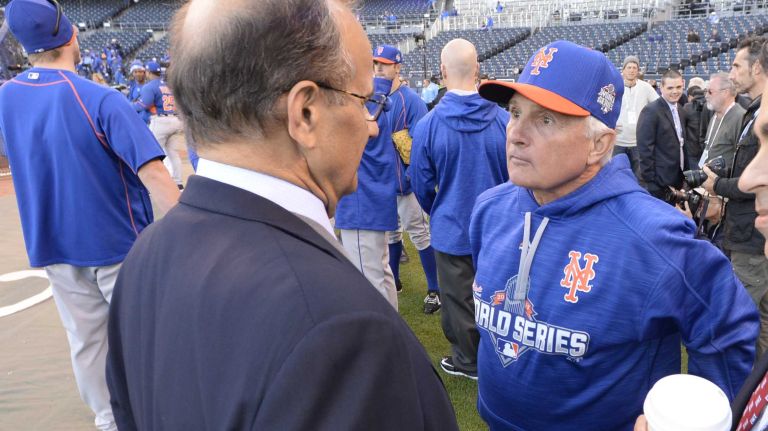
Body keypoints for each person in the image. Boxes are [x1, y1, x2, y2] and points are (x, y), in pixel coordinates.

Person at [105, 1, 460, 430]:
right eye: (364, 100)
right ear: (305, 113)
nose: (370, 125)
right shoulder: (343, 328)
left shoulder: (145, 255)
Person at [472, 40, 757, 431]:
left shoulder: (653, 236)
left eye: (545, 120)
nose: (516, 133)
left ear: (599, 144)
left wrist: (704, 417)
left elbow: (726, 329)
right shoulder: (489, 208)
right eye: (515, 112)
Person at [0, 1, 180, 430]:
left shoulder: (6, 98)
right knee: (150, 339)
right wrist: (189, 232)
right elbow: (154, 173)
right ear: (71, 35)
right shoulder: (97, 97)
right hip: (117, 244)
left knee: (87, 344)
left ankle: (109, 421)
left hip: (53, 247)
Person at [410, 39, 509, 378]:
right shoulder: (505, 120)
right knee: (500, 295)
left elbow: (421, 183)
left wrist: (441, 208)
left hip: (454, 225)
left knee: (459, 300)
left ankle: (468, 360)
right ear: (477, 68)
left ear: (442, 71)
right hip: (499, 229)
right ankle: (497, 356)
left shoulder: (428, 125)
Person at [703, 36, 768, 356]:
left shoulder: (759, 116)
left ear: (757, 68)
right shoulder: (752, 112)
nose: (732, 73)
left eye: (736, 65)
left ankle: (743, 397)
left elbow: (752, 181)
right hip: (746, 231)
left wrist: (718, 186)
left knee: (740, 321)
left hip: (753, 237)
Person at [373, 44, 441, 303]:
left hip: (407, 184)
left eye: (384, 64)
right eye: (376, 64)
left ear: (397, 67)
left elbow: (422, 146)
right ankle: (396, 281)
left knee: (420, 234)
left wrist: (414, 176)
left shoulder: (411, 101)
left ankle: (434, 289)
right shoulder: (371, 96)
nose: (378, 68)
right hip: (383, 182)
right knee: (390, 233)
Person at [335, 76, 399, 310]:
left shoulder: (367, 102)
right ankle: (394, 335)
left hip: (363, 202)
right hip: (373, 200)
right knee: (381, 272)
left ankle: (384, 342)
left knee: (368, 281)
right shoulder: (379, 97)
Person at [637, 69, 690, 204]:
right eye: (670, 88)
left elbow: (681, 144)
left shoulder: (681, 110)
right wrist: (652, 182)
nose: (675, 91)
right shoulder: (651, 111)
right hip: (659, 183)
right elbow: (645, 149)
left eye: (678, 87)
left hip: (677, 179)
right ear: (661, 88)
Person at [134, 61, 184, 189]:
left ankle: (164, 184)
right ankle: (178, 182)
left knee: (155, 153)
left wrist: (129, 107)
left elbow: (144, 105)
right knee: (173, 153)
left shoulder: (150, 86)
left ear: (149, 73)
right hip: (175, 120)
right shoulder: (168, 85)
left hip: (161, 122)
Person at [614, 55, 659, 181]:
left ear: (638, 71)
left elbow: (659, 105)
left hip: (638, 142)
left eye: (635, 67)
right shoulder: (615, 86)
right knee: (617, 176)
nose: (632, 70)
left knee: (640, 177)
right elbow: (605, 107)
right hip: (618, 142)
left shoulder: (645, 87)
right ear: (623, 70)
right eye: (629, 67)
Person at [700, 72, 745, 168]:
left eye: (710, 92)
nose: (706, 96)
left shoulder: (740, 118)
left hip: (725, 181)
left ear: (725, 92)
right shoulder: (714, 117)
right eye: (705, 91)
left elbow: (743, 160)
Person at [683, 76, 711, 167]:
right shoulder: (711, 105)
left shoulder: (687, 107)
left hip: (692, 149)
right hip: (707, 147)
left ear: (691, 96)